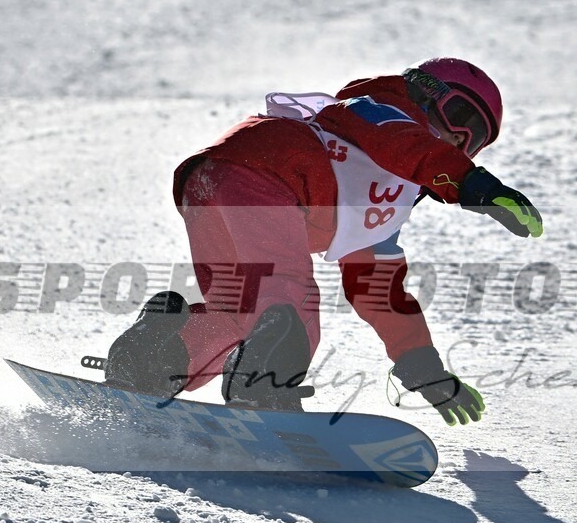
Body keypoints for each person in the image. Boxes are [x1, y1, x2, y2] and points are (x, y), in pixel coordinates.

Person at [103, 57, 543, 426]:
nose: (459, 139)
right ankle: (264, 395)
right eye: (460, 117)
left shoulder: (386, 203)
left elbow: (378, 289)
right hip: (264, 171)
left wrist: (421, 365)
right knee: (290, 300)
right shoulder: (377, 109)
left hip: (211, 188)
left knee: (241, 315)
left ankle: (153, 358)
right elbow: (405, 144)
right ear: (425, 93)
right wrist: (474, 185)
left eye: (476, 140)